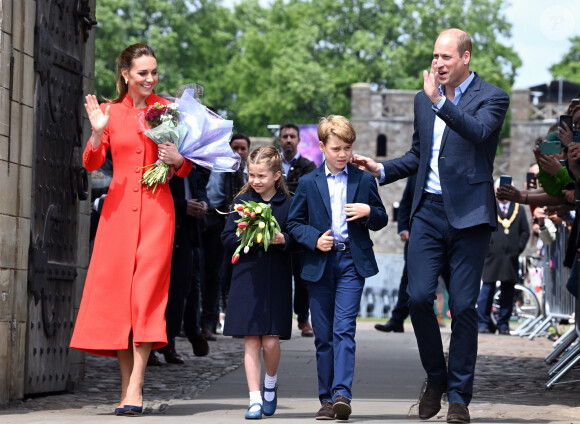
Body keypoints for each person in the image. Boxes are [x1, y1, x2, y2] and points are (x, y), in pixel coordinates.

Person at [352, 29, 509, 423]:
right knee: (419, 297)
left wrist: (440, 102)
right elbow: (420, 154)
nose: (438, 63)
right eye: (435, 56)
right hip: (427, 213)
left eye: (446, 57)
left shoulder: (492, 97)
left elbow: (476, 132)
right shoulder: (424, 100)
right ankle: (436, 378)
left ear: (466, 58)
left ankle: (458, 398)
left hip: (471, 216)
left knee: (462, 307)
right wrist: (383, 168)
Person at [70, 44, 192, 415]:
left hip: (158, 214)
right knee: (121, 302)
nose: (150, 79)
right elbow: (91, 163)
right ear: (124, 73)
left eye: (154, 72)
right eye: (142, 73)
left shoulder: (168, 111)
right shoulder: (109, 112)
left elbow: (186, 167)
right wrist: (96, 133)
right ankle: (127, 388)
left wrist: (178, 160)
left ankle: (136, 385)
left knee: (145, 299)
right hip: (117, 217)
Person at [287, 115, 388, 420]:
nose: (342, 154)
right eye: (336, 148)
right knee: (324, 335)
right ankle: (326, 400)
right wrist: (314, 239)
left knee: (344, 329)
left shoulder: (363, 180)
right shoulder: (307, 183)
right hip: (320, 262)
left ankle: (341, 393)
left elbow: (382, 218)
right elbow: (293, 223)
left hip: (351, 263)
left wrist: (370, 210)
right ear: (321, 147)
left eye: (347, 147)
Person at [221, 146, 294, 419]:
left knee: (271, 343)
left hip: (276, 279)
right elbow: (226, 238)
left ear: (277, 175)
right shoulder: (240, 203)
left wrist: (282, 239)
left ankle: (270, 384)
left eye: (261, 175)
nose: (255, 181)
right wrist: (246, 235)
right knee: (251, 340)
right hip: (247, 279)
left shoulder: (288, 204)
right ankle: (254, 399)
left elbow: (297, 238)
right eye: (251, 175)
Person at [157, 165, 210, 364]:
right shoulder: (162, 164)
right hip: (165, 233)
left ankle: (169, 343)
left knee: (182, 292)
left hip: (188, 235)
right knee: (161, 293)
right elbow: (154, 195)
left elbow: (200, 190)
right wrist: (182, 206)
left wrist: (204, 204)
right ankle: (154, 345)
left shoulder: (192, 165)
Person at [200, 133, 249, 341]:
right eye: (234, 148)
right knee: (204, 274)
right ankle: (201, 322)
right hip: (205, 218)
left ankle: (217, 322)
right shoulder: (207, 160)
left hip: (227, 222)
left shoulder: (239, 170)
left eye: (242, 148)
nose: (238, 152)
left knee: (222, 275)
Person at [477, 179, 530, 335]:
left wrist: (517, 249)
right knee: (487, 290)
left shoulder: (518, 209)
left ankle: (503, 324)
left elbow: (525, 232)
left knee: (508, 291)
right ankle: (483, 323)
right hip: (491, 256)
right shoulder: (489, 206)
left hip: (510, 257)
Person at [279, 123, 317, 337]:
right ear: (279, 140)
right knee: (279, 276)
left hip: (300, 229)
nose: (288, 140)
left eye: (292, 136)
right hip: (275, 227)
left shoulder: (308, 166)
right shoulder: (272, 165)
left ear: (298, 140)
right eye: (285, 136)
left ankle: (303, 319)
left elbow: (309, 196)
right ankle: (280, 318)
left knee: (302, 279)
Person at [375, 175, 415, 333]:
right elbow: (406, 203)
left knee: (454, 283)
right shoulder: (417, 173)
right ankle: (397, 320)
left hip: (451, 240)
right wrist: (404, 228)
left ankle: (475, 320)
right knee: (408, 280)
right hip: (418, 239)